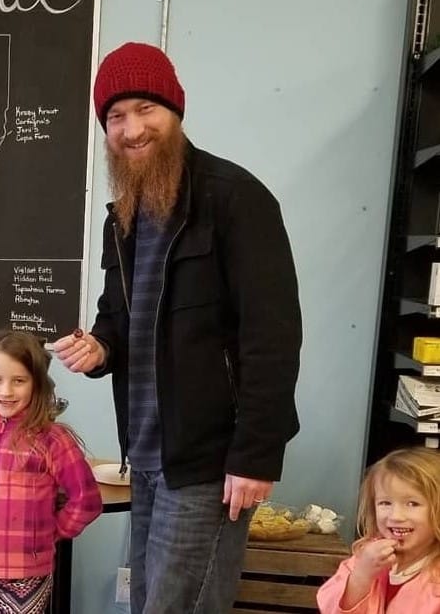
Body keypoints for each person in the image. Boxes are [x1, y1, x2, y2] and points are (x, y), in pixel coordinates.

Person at [52, 42, 302, 613]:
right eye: (116, 117)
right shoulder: (125, 216)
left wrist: (255, 456)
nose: (132, 129)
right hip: (144, 455)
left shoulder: (236, 198)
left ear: (175, 110)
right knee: (149, 603)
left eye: (145, 109)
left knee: (178, 607)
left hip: (210, 462)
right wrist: (99, 347)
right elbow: (117, 320)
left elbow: (273, 335)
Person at [0, 329, 102, 614]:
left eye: (19, 381)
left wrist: (51, 532)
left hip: (28, 576)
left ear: (36, 384)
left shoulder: (52, 439)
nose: (5, 391)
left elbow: (87, 500)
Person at [317, 447, 440, 613]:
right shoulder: (364, 558)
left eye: (412, 504)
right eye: (385, 503)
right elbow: (330, 608)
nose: (396, 516)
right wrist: (361, 577)